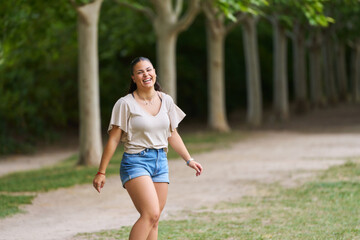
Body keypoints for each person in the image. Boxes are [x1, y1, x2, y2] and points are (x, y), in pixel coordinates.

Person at [92, 56, 203, 240]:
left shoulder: (165, 100)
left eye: (149, 70)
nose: (146, 74)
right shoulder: (125, 103)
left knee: (155, 219)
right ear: (133, 78)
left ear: (155, 73)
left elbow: (172, 134)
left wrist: (189, 160)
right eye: (140, 72)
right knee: (150, 214)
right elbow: (113, 140)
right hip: (136, 162)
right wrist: (101, 172)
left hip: (161, 162)